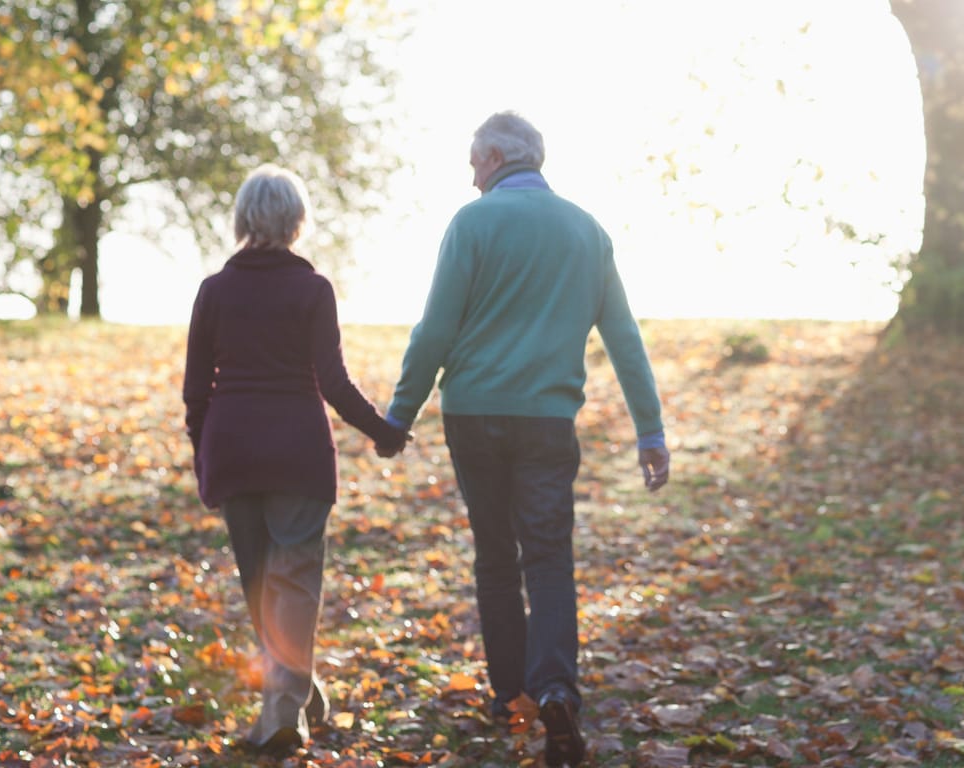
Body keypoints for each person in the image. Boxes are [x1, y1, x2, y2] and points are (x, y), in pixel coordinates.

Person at [385, 111, 670, 767]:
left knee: (494, 553)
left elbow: (435, 331)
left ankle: (508, 689)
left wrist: (401, 415)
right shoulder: (587, 232)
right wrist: (648, 428)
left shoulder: (472, 222)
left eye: (471, 161)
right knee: (547, 557)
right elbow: (624, 340)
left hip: (474, 415)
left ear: (490, 158)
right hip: (547, 420)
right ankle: (554, 690)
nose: (470, 174)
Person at [182, 164, 410, 755]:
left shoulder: (214, 290)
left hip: (233, 451)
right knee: (294, 583)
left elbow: (195, 391)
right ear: (296, 221)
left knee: (261, 585)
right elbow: (332, 381)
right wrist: (382, 431)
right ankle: (288, 707)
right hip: (298, 453)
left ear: (242, 220)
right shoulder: (312, 290)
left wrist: (203, 454)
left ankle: (293, 701)